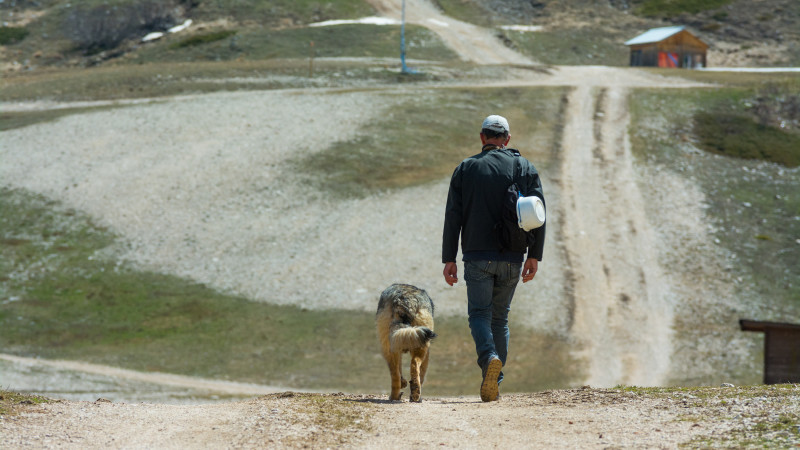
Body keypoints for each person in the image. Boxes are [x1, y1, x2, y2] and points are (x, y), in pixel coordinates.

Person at [441, 114, 545, 402]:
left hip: (477, 257)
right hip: (513, 257)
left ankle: (489, 359)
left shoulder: (466, 169)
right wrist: (534, 255)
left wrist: (448, 257)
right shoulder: (525, 167)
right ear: (507, 139)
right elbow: (539, 212)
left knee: (479, 314)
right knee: (500, 320)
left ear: (482, 137)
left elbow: (453, 216)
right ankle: (495, 380)